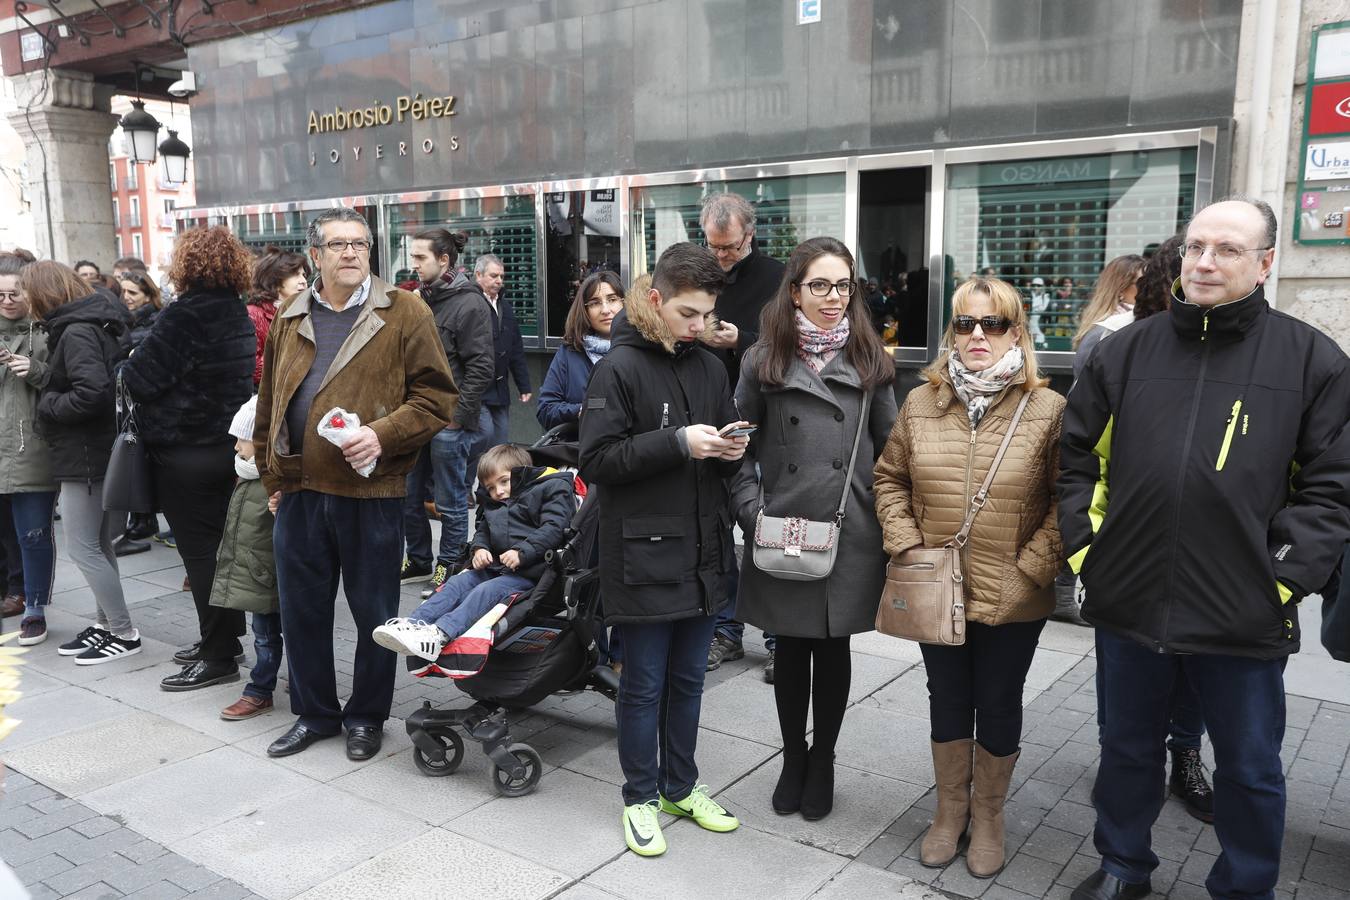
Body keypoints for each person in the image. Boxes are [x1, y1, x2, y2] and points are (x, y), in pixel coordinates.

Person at [1060, 197, 1350, 900]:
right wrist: (1088, 555)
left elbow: (1332, 490)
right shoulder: (1127, 351)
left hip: (1244, 610)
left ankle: (1245, 887)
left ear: (1265, 264)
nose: (1205, 262)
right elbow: (1075, 462)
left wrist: (1279, 584)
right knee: (1126, 753)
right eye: (1195, 247)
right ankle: (1124, 866)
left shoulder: (1312, 361)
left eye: (1227, 249)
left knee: (1249, 769)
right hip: (1129, 599)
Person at [873, 276, 1065, 878]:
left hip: (1014, 594)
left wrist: (1029, 570)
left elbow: (1069, 502)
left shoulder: (1049, 409)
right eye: (965, 324)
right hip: (937, 589)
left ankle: (989, 817)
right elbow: (889, 480)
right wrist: (907, 548)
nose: (977, 335)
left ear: (1016, 332)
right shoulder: (922, 402)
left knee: (1000, 701)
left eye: (994, 324)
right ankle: (949, 810)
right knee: (947, 698)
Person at [254, 207, 456, 761]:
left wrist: (383, 435)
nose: (350, 253)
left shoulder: (404, 310)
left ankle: (367, 717)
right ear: (315, 254)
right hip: (299, 490)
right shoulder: (292, 313)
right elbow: (270, 401)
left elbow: (437, 400)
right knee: (302, 611)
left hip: (372, 492)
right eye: (338, 244)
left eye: (360, 244)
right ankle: (315, 714)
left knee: (375, 614)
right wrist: (274, 474)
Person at [579, 242, 746, 858]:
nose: (700, 326)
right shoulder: (618, 368)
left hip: (704, 551)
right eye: (688, 313)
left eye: (706, 314)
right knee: (643, 685)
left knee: (689, 682)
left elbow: (724, 438)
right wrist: (677, 442)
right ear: (655, 300)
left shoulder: (707, 365)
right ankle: (639, 797)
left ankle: (681, 784)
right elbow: (595, 460)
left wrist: (731, 449)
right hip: (643, 556)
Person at [730, 237, 897, 821]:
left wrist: (876, 512)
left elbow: (890, 450)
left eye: (844, 286)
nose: (834, 298)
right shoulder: (763, 358)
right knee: (791, 648)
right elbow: (737, 446)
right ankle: (792, 757)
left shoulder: (872, 359)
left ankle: (822, 757)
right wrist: (753, 509)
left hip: (847, 529)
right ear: (795, 289)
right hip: (783, 525)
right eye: (821, 285)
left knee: (832, 649)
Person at [120, 227, 256, 692]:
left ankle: (219, 655)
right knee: (216, 550)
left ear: (187, 266)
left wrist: (132, 359)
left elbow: (140, 379)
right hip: (223, 446)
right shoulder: (235, 311)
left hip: (184, 450)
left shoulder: (185, 314)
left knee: (201, 555)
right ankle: (224, 641)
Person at [23, 261, 142, 664]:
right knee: (98, 544)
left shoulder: (75, 331)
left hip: (86, 454)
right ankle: (108, 624)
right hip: (95, 450)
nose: (23, 300)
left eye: (26, 292)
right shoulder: (91, 321)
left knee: (83, 547)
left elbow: (91, 392)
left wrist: (49, 404)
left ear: (44, 294)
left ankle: (124, 632)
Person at [374, 443, 574, 661]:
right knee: (456, 583)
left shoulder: (550, 488)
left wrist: (522, 552)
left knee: (485, 591)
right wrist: (480, 549)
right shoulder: (496, 503)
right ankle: (413, 623)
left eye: (504, 482)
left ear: (522, 474)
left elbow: (554, 528)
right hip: (496, 567)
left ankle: (440, 634)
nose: (498, 492)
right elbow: (484, 530)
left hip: (530, 573)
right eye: (490, 488)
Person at [696, 191, 785, 680]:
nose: (722, 257)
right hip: (710, 413)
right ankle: (725, 632)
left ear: (749, 235)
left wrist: (741, 342)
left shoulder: (776, 278)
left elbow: (790, 346)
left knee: (764, 529)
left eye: (730, 247)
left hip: (764, 420)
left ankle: (774, 636)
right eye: (715, 247)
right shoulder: (702, 273)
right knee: (716, 529)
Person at [397, 228, 494, 596]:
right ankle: (418, 560)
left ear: (444, 260)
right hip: (415, 417)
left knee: (451, 500)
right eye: (413, 257)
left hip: (449, 422)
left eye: (421, 257)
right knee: (408, 495)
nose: (414, 264)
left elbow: (482, 367)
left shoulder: (470, 303)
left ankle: (449, 565)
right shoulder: (418, 298)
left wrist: (456, 416)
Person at [213, 396, 283, 721]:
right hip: (260, 577)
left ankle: (265, 689)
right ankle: (261, 689)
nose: (237, 447)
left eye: (242, 439)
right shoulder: (247, 474)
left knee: (275, 636)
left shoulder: (273, 481)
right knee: (264, 636)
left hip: (273, 575)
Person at [0, 253, 57, 646]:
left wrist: (33, 370)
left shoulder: (48, 331)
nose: (7, 301)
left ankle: (34, 607)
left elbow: (72, 386)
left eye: (14, 292)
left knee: (33, 533)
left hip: (31, 448)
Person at [111, 268, 167, 555]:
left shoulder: (156, 322)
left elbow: (142, 367)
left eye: (133, 292)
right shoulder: (127, 322)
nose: (127, 297)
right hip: (131, 406)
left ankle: (146, 518)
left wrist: (123, 366)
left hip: (145, 406)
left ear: (148, 294)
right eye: (124, 292)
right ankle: (143, 519)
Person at [536, 271, 624, 430]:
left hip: (630, 450)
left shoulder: (639, 350)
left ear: (624, 303)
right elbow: (545, 410)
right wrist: (581, 410)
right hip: (579, 450)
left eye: (612, 299)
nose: (605, 310)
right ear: (585, 311)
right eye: (595, 303)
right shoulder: (569, 353)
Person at [473, 253, 533, 449]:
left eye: (501, 276)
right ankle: (468, 476)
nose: (499, 281)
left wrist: (524, 385)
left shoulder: (504, 306)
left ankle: (488, 480)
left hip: (500, 389)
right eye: (493, 276)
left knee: (500, 441)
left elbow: (515, 347)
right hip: (476, 388)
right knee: (485, 434)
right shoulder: (469, 303)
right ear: (478, 275)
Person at [246, 247, 310, 387]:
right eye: (296, 274)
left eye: (304, 275)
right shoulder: (253, 314)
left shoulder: (306, 314)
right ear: (274, 280)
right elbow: (252, 367)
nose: (303, 281)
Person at [1070, 254, 1145, 362]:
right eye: (1141, 283)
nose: (1148, 287)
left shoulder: (1140, 323)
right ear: (1120, 288)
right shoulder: (1107, 330)